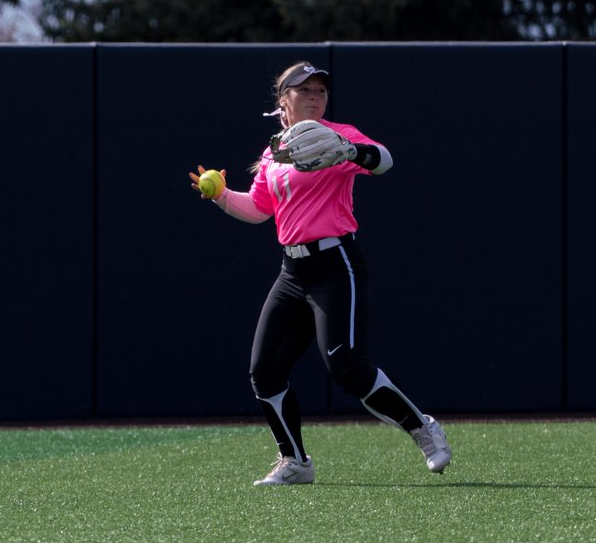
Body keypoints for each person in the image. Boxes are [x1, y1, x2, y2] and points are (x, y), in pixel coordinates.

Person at [189, 60, 451, 486]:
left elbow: (384, 160)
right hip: (292, 271)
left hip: (336, 264)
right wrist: (220, 195)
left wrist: (352, 152)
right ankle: (295, 462)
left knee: (347, 367)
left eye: (321, 91)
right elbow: (258, 210)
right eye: (304, 90)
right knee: (265, 371)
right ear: (283, 101)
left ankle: (423, 427)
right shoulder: (273, 151)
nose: (315, 96)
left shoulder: (338, 135)